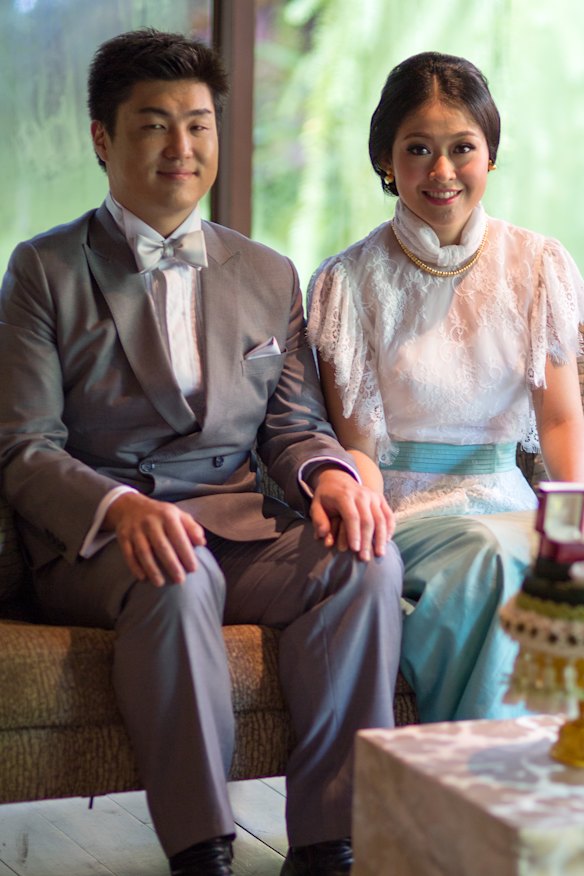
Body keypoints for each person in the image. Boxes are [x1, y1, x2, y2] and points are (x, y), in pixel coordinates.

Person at [0, 29, 404, 876]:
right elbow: (23, 447)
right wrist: (117, 508)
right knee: (178, 573)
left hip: (238, 525)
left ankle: (331, 840)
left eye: (198, 124)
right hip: (107, 541)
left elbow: (292, 423)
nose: (182, 147)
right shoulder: (43, 270)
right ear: (103, 140)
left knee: (364, 562)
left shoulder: (265, 271)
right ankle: (203, 848)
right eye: (153, 125)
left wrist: (329, 473)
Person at [307, 51, 584, 725]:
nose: (442, 171)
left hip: (511, 503)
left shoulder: (539, 263)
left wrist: (576, 520)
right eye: (418, 149)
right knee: (488, 560)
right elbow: (358, 444)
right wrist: (363, 517)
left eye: (462, 147)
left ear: (490, 154)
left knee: (540, 561)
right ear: (385, 160)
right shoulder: (348, 282)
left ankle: (547, 797)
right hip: (408, 512)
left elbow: (558, 422)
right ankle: (476, 788)